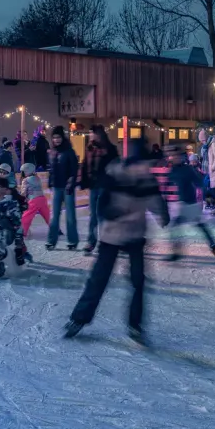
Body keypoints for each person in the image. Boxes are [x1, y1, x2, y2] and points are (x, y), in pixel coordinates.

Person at [64, 137, 168, 344]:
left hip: (135, 234)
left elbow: (156, 200)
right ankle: (79, 318)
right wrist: (109, 213)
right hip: (112, 234)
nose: (145, 169)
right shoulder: (115, 172)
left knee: (138, 280)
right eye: (142, 165)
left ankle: (135, 325)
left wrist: (162, 214)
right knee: (99, 277)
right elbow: (102, 201)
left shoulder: (147, 180)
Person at [165, 145, 215, 262]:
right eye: (171, 156)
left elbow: (199, 183)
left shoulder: (187, 169)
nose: (173, 157)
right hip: (183, 204)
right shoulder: (173, 170)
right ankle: (177, 251)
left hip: (191, 205)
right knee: (179, 226)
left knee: (200, 227)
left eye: (175, 155)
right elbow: (167, 182)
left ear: (181, 157)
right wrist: (164, 196)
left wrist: (207, 195)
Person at [78, 125, 119, 254]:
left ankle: (105, 241)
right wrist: (82, 180)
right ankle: (92, 241)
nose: (90, 136)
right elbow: (85, 164)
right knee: (93, 215)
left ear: (99, 134)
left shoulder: (110, 149)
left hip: (105, 186)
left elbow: (116, 167)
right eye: (90, 133)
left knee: (101, 215)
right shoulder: (89, 148)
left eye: (92, 133)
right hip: (93, 186)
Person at [46, 127, 80, 251]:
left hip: (67, 188)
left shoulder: (69, 152)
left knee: (70, 216)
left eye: (59, 137)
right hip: (56, 187)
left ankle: (72, 240)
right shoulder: (51, 152)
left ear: (63, 138)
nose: (56, 140)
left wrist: (70, 184)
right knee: (54, 216)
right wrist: (50, 182)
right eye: (54, 137)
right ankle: (51, 241)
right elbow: (50, 169)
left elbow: (74, 170)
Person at [18, 162, 51, 238]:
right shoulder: (37, 178)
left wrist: (19, 197)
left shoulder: (25, 180)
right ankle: (56, 229)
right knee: (47, 216)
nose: (21, 173)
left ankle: (23, 232)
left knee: (26, 216)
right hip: (42, 199)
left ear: (26, 171)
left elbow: (23, 193)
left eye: (22, 172)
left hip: (33, 200)